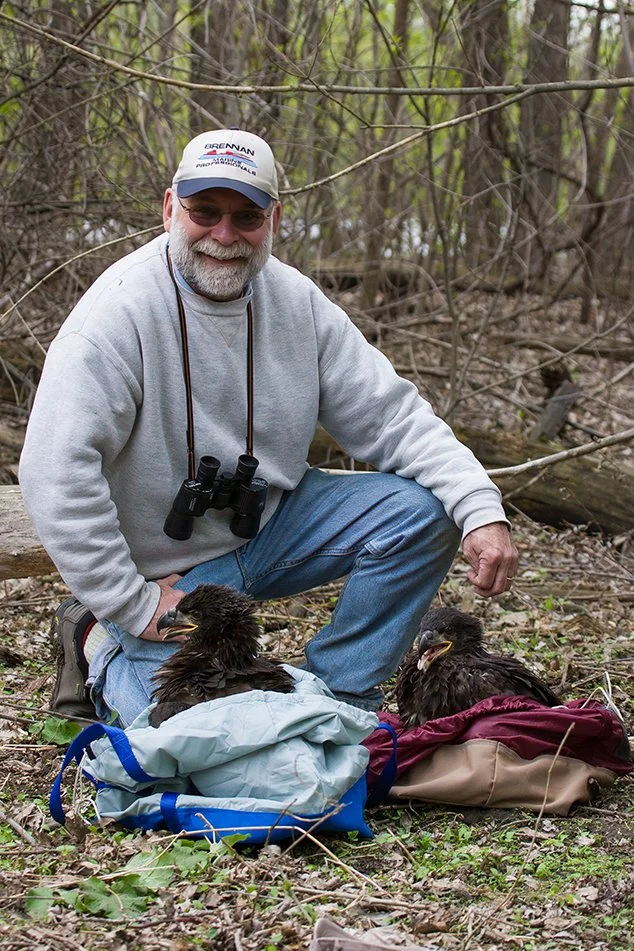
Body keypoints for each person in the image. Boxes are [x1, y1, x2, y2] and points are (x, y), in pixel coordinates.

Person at [19, 129, 518, 726]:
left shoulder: (296, 303)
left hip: (272, 525)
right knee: (203, 729)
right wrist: (130, 600)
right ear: (170, 207)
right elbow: (55, 472)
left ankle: (339, 701)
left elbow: (392, 416)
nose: (224, 236)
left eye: (246, 217)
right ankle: (98, 641)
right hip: (164, 572)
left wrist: (480, 507)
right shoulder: (115, 317)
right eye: (205, 212)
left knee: (423, 512)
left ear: (273, 218)